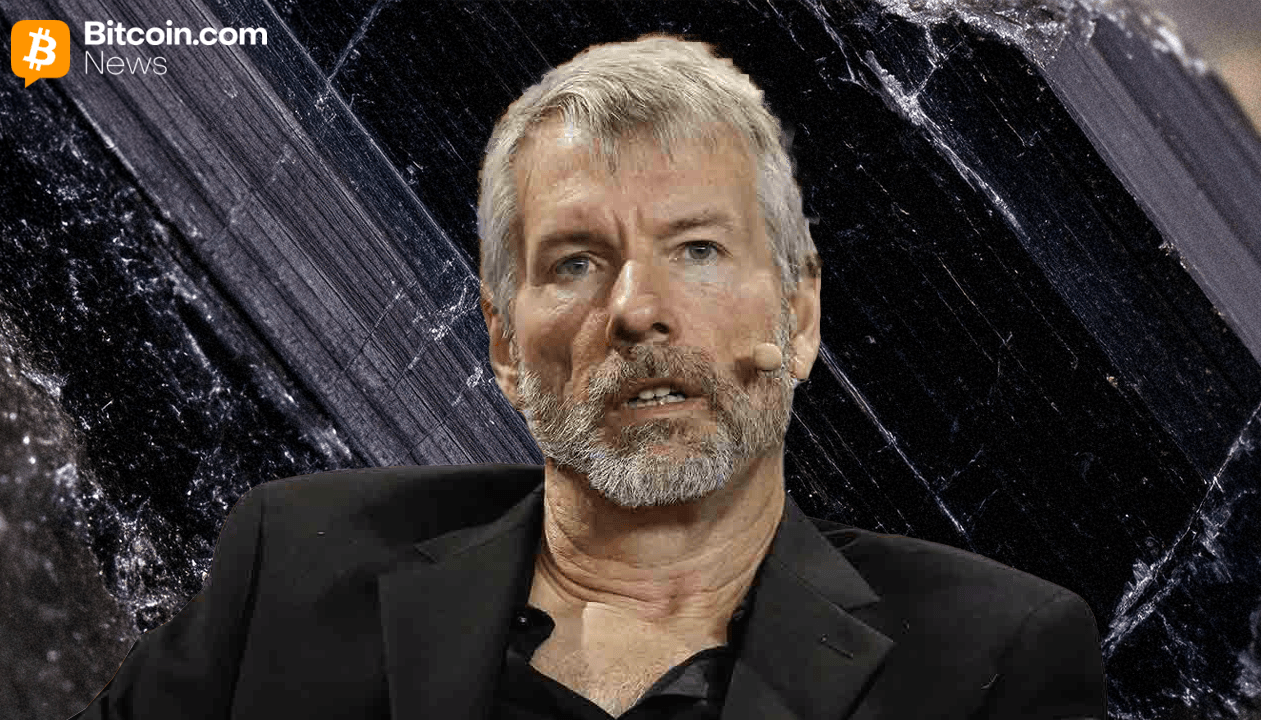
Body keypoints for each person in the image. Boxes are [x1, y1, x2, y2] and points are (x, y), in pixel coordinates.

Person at [74, 35, 1105, 719]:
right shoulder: (296, 567)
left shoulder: (989, 659)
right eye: (575, 262)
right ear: (503, 344)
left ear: (797, 318)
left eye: (697, 249)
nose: (636, 308)